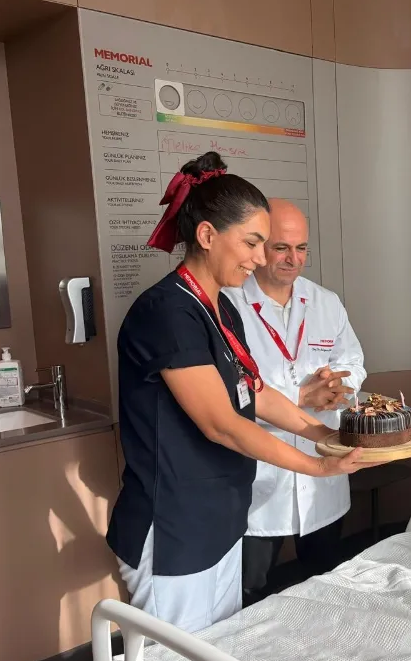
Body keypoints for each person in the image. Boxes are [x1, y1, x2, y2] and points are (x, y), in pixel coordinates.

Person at [106, 152, 377, 634]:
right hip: (175, 523)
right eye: (254, 243)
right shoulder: (167, 313)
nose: (259, 258)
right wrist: (319, 466)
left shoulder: (219, 311)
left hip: (221, 515)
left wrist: (326, 438)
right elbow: (223, 424)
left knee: (223, 650)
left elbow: (257, 392)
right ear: (207, 235)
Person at [223, 199, 366, 601]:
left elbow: (353, 360)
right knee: (250, 589)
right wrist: (301, 395)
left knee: (326, 579)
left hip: (323, 473)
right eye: (281, 248)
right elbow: (229, 389)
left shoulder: (325, 302)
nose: (294, 259)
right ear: (258, 247)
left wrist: (338, 386)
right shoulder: (228, 305)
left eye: (301, 248)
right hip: (260, 480)